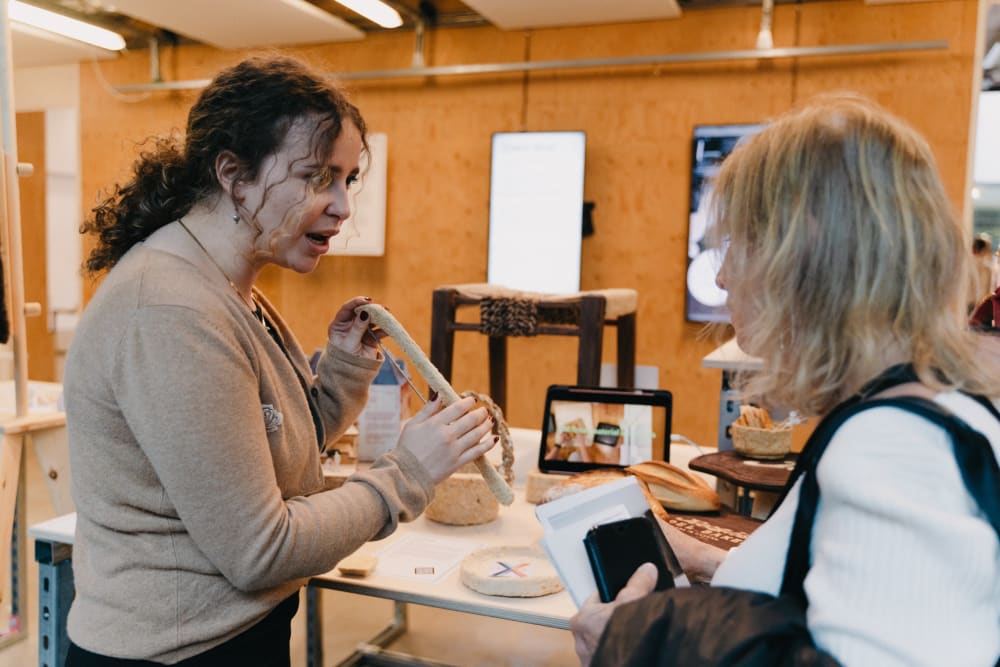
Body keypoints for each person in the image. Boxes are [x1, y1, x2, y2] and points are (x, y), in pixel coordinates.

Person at [62, 55, 496, 666]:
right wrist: (406, 474)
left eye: (347, 179)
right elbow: (259, 551)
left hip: (228, 640)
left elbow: (272, 455)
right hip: (175, 653)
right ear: (234, 175)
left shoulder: (226, 286)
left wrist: (342, 371)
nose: (343, 206)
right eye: (318, 177)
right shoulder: (171, 310)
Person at [571, 94, 1000, 666]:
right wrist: (707, 560)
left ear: (802, 255)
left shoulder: (894, 448)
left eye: (736, 244)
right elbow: (833, 590)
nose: (721, 275)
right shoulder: (938, 405)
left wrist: (633, 642)